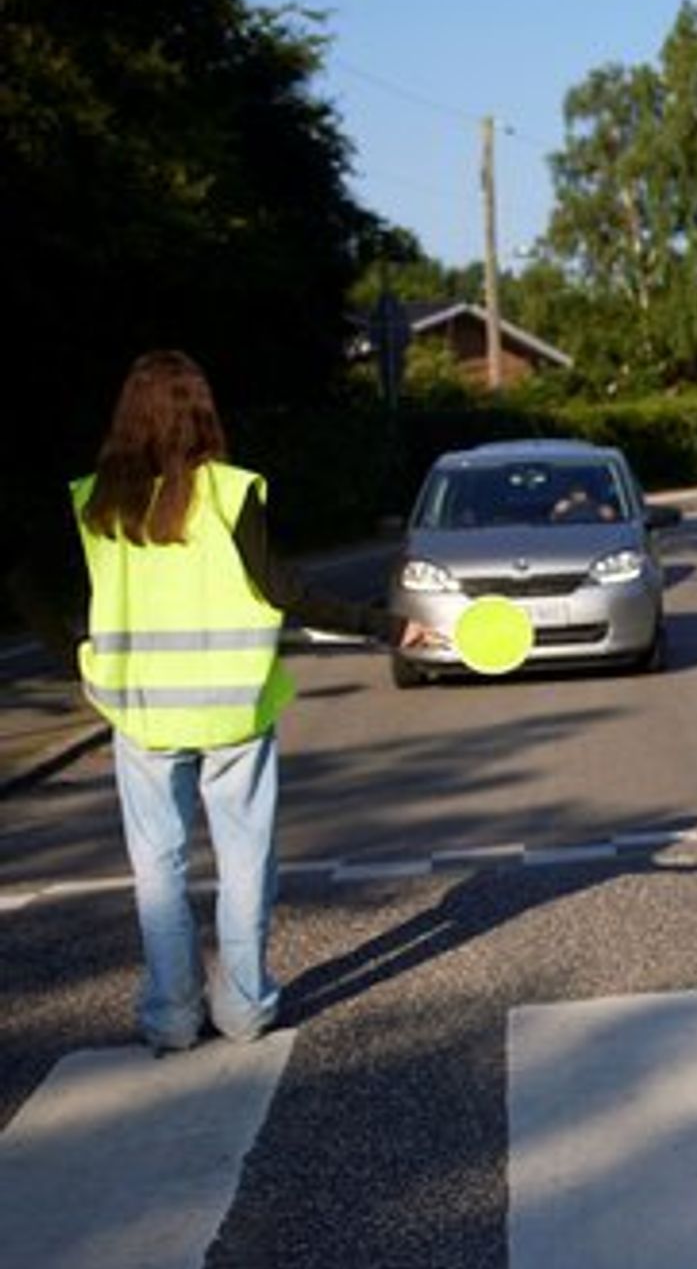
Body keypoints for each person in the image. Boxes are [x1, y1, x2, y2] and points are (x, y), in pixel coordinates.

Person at [22, 351, 443, 1053]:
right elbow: (287, 592)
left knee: (158, 867)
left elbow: (24, 583)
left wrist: (76, 663)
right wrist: (390, 627)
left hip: (142, 714)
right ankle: (244, 1010)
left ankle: (171, 1016)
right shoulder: (229, 492)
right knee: (244, 860)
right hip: (234, 713)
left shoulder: (95, 501)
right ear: (202, 415)